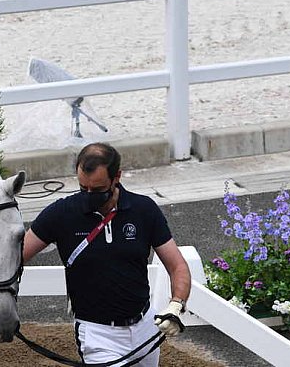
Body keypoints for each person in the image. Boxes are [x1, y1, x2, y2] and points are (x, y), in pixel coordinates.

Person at [23, 142, 191, 366]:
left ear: (117, 177)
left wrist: (176, 305)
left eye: (98, 190)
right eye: (84, 189)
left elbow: (177, 266)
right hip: (97, 334)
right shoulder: (61, 214)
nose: (89, 196)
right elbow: (15, 256)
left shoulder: (144, 210)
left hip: (145, 327)